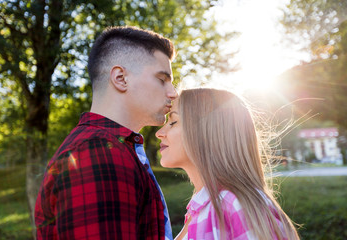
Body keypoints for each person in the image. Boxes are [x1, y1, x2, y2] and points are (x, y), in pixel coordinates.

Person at [35, 26, 178, 240]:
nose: (173, 93)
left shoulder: (115, 149)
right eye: (161, 79)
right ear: (120, 78)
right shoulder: (98, 153)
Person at [156, 88, 300, 240]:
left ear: (208, 131)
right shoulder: (204, 207)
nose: (159, 133)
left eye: (172, 122)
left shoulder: (233, 205)